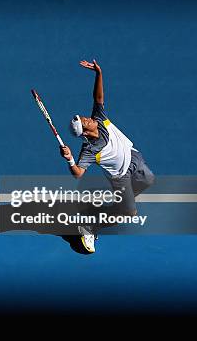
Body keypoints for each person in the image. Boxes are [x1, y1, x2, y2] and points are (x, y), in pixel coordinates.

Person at [59, 59, 155, 253]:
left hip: (134, 158)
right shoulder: (90, 150)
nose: (88, 118)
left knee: (149, 180)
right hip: (121, 176)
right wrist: (69, 158)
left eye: (84, 117)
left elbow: (98, 98)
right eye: (85, 122)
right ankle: (91, 226)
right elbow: (78, 173)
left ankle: (112, 206)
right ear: (85, 132)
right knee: (129, 213)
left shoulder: (100, 119)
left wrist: (98, 74)